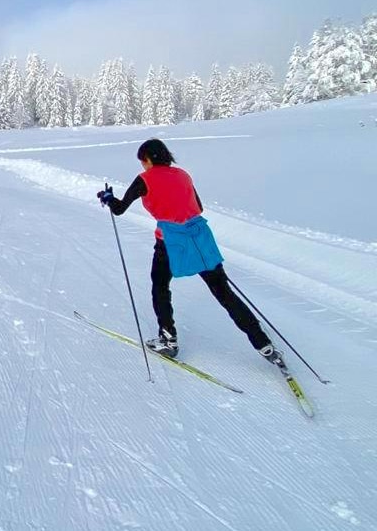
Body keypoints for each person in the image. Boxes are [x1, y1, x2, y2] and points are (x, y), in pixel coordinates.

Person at [96, 138, 283, 365]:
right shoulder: (183, 174)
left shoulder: (145, 179)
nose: (142, 165)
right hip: (200, 236)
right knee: (224, 292)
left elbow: (119, 209)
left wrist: (108, 198)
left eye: (142, 161)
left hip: (171, 241)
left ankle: (168, 339)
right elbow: (199, 207)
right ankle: (263, 344)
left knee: (160, 287)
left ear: (148, 159)